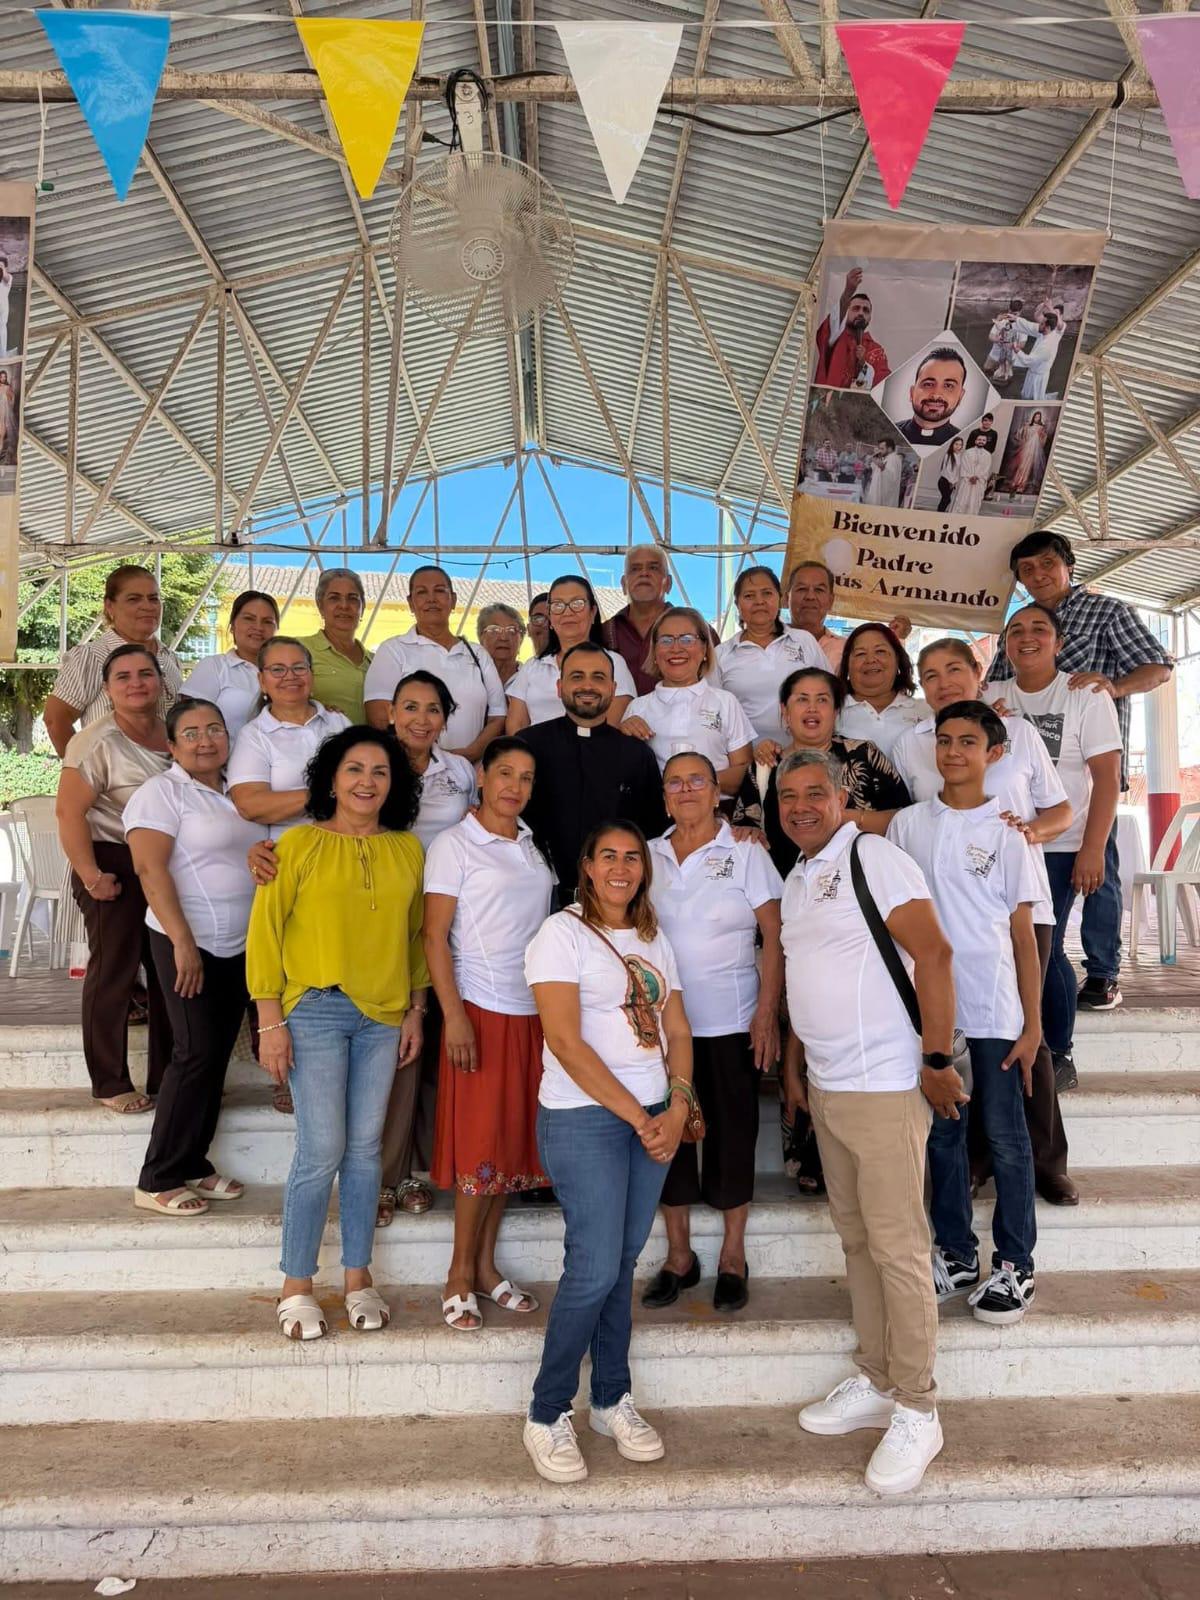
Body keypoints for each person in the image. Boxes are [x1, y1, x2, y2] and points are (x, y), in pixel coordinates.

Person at [778, 750, 960, 1497]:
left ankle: (919, 1405)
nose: (799, 807)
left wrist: (938, 1056)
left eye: (813, 793)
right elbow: (805, 974)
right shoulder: (796, 878)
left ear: (843, 794)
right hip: (829, 1088)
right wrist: (795, 1065)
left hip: (886, 1086)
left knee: (898, 1249)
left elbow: (934, 954)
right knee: (856, 1241)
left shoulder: (874, 855)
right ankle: (877, 1377)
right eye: (786, 796)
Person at [523, 822, 693, 1484]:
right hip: (585, 1119)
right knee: (593, 1269)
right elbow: (565, 1041)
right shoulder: (559, 935)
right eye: (608, 857)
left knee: (621, 1263)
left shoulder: (654, 937)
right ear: (586, 867)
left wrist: (675, 1108)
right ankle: (545, 1411)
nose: (621, 867)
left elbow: (677, 1027)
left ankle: (610, 1397)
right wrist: (639, 1117)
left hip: (654, 1116)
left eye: (633, 857)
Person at [246, 727, 429, 1342]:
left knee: (365, 1152)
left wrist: (416, 1010)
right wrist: (270, 1021)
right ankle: (296, 1284)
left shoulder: (408, 851)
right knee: (321, 1148)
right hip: (315, 1009)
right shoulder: (295, 845)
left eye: (379, 771)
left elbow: (415, 938)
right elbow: (265, 933)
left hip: (383, 1015)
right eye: (354, 769)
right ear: (331, 778)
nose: (366, 782)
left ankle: (357, 1276)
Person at [894, 637, 1076, 1205]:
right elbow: (914, 818)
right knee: (961, 1040)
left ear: (979, 672)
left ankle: (1045, 1160)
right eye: (929, 674)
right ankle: (976, 1161)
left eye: (954, 669)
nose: (943, 681)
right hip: (947, 913)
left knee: (1025, 1033)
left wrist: (1028, 834)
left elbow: (1061, 809)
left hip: (1018, 901)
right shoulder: (913, 744)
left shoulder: (1017, 732)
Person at [888, 703, 1043, 1324]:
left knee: (1006, 1135)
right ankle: (955, 1254)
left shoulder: (1010, 832)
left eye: (969, 742)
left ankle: (1016, 1263)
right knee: (944, 1134)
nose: (953, 751)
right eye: (945, 740)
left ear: (994, 754)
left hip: (995, 1007)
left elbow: (1024, 936)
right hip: (932, 1012)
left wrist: (1033, 1025)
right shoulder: (907, 826)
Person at [985, 530, 1174, 1011]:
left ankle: (1103, 972)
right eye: (1027, 570)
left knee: (1098, 867)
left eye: (1047, 563)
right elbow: (989, 689)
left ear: (1068, 564)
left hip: (1091, 767)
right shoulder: (1019, 627)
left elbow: (1158, 666)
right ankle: (1034, 970)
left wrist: (1112, 687)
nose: (1038, 575)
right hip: (1026, 785)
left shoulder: (1106, 611)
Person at [642, 754, 783, 1313]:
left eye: (697, 779)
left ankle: (731, 1255)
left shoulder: (745, 852)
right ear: (664, 796)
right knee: (665, 1140)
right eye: (674, 781)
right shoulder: (646, 855)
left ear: (716, 791)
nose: (685, 789)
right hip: (659, 1029)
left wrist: (767, 1013)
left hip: (730, 1019)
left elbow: (774, 935)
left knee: (731, 1133)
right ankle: (679, 1256)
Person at [424, 739, 556, 1330]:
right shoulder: (455, 845)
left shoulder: (531, 843)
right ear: (481, 775)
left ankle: (484, 1267)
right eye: (504, 773)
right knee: (480, 1147)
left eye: (526, 777)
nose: (515, 786)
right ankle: (457, 1271)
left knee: (506, 1145)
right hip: (480, 1009)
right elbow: (434, 937)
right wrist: (453, 1015)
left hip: (533, 1012)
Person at [124, 699, 267, 1215]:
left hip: (239, 943)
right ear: (171, 745)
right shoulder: (160, 794)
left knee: (215, 1053)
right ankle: (157, 1176)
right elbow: (150, 870)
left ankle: (194, 1163)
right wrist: (182, 941)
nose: (205, 740)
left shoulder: (241, 792)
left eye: (214, 730)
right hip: (186, 940)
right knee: (193, 1052)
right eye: (191, 733)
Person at [984, 604, 1122, 1089]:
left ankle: (1058, 1050)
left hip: (1062, 845)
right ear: (1004, 645)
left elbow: (1107, 778)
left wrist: (1092, 848)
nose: (1027, 637)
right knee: (1009, 944)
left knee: (1047, 946)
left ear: (1059, 643)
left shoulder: (1085, 695)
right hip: (1002, 848)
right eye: (1016, 630)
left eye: (1039, 629)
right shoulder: (990, 695)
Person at [55, 645, 172, 1113]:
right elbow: (69, 812)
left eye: (145, 673)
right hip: (111, 862)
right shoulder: (95, 741)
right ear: (107, 689)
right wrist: (91, 875)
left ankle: (169, 1078)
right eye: (123, 676)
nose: (136, 683)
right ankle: (109, 1082)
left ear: (160, 682)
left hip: (162, 866)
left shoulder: (173, 732)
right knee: (115, 972)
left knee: (169, 973)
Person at [378, 670, 476, 1221]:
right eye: (410, 707)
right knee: (399, 1053)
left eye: (433, 709)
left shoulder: (460, 770)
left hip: (448, 922)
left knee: (438, 1050)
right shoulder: (373, 761)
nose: (421, 719)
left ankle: (423, 1169)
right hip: (388, 918)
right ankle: (386, 1174)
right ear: (391, 713)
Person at [517, 642, 667, 901]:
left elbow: (652, 836)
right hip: (537, 901)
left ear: (613, 688)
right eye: (577, 677)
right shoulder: (527, 746)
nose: (587, 686)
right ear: (559, 686)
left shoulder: (637, 754)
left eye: (598, 677)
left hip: (614, 903)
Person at [755, 668, 910, 877]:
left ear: (836, 710)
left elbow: (906, 821)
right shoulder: (765, 766)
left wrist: (843, 817)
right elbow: (744, 833)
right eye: (802, 699)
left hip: (861, 886)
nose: (812, 708)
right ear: (785, 710)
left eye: (822, 700)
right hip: (786, 893)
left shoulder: (864, 755)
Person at [364, 565, 505, 760]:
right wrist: (425, 759)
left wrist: (471, 754)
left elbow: (497, 716)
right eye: (422, 592)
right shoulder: (393, 650)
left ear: (453, 600)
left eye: (439, 591)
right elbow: (379, 717)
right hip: (413, 773)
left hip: (470, 774)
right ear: (411, 603)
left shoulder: (478, 654)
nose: (431, 599)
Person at [44, 566, 184, 756]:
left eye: (154, 599)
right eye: (134, 599)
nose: (148, 606)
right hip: (112, 782)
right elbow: (55, 720)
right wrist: (82, 772)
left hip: (170, 780)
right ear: (110, 606)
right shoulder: (91, 656)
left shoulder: (170, 658)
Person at [622, 608, 754, 798]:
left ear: (705, 650)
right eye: (666, 640)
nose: (676, 648)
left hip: (717, 815)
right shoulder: (638, 708)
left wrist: (694, 786)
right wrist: (623, 733)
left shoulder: (726, 703)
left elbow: (744, 773)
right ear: (655, 652)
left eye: (686, 639)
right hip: (655, 817)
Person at [228, 638, 350, 839]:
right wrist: (326, 793)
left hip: (350, 842)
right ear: (262, 681)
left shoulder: (339, 722)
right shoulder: (254, 735)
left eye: (299, 668)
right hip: (291, 852)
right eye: (277, 669)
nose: (290, 676)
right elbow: (250, 805)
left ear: (311, 675)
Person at [508, 574, 636, 731]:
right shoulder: (532, 667)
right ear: (550, 616)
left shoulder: (614, 663)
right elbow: (516, 725)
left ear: (593, 611)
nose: (567, 612)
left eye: (577, 603)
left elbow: (611, 726)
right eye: (558, 605)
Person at [713, 566, 825, 744]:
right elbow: (714, 714)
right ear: (738, 605)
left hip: (804, 755)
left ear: (780, 599)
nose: (759, 601)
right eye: (749, 596)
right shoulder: (721, 654)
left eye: (767, 593)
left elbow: (828, 695)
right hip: (746, 760)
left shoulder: (804, 641)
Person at [182, 590, 280, 739]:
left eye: (267, 621)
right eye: (249, 619)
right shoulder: (214, 666)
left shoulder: (285, 672)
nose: (258, 627)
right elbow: (186, 724)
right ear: (233, 625)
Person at [834, 623, 926, 761]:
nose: (870, 660)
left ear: (898, 660)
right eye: (860, 654)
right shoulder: (832, 712)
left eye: (880, 651)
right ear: (847, 664)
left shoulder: (925, 711)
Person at [299, 568, 374, 723]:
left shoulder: (377, 661)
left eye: (353, 598)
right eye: (334, 598)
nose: (344, 606)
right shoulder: (299, 650)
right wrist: (314, 707)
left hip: (369, 745)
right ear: (320, 606)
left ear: (363, 607)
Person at [814, 267, 891, 389]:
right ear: (847, 312)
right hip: (827, 405)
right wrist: (848, 292)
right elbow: (833, 322)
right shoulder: (836, 337)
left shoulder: (876, 350)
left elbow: (884, 386)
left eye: (866, 310)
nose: (861, 313)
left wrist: (863, 365)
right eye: (856, 308)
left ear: (870, 318)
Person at [896, 348, 967, 449]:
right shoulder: (891, 430)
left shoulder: (962, 442)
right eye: (928, 384)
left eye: (948, 386)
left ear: (960, 396)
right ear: (912, 393)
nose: (936, 395)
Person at [786, 561, 846, 670]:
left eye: (819, 590)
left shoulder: (846, 649)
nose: (810, 596)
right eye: (802, 589)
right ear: (786, 599)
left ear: (831, 601)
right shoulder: (768, 642)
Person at [1013, 310, 1064, 401]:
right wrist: (1016, 319)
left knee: (1034, 399)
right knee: (1026, 396)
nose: (1039, 325)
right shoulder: (1049, 332)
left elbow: (1029, 361)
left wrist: (1017, 351)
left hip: (1038, 377)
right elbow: (1030, 327)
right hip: (1035, 372)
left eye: (1041, 324)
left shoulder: (1047, 346)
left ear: (1047, 327)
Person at [476, 601, 525, 689]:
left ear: (521, 639)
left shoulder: (531, 677)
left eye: (511, 631)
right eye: (494, 630)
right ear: (481, 637)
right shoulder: (471, 676)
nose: (503, 638)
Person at [1008, 411, 1048, 497]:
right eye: (1036, 416)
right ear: (1033, 417)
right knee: (1021, 466)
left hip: (1032, 450)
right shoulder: (1027, 426)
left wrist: (1042, 434)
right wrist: (1022, 439)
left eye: (1038, 417)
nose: (1037, 418)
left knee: (1027, 468)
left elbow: (1043, 439)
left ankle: (1021, 485)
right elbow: (1019, 434)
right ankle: (1015, 482)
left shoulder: (1040, 428)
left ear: (1040, 418)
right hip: (1024, 448)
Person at [952, 439, 992, 516]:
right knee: (962, 500)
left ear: (986, 442)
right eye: (979, 440)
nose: (981, 441)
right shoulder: (968, 452)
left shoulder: (988, 455)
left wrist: (977, 477)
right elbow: (964, 466)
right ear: (975, 441)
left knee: (974, 502)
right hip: (967, 481)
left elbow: (986, 469)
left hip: (978, 482)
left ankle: (970, 518)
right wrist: (970, 477)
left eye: (983, 440)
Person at [862, 439, 903, 507]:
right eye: (879, 448)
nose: (880, 451)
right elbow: (876, 472)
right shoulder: (886, 458)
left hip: (885, 499)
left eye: (882, 449)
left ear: (889, 449)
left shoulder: (894, 459)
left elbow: (892, 478)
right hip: (878, 494)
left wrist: (882, 468)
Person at [936, 438, 963, 513]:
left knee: (945, 499)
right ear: (952, 445)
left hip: (952, 482)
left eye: (960, 445)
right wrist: (951, 482)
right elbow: (946, 470)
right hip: (945, 481)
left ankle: (939, 513)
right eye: (956, 444)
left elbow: (957, 471)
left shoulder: (959, 456)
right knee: (946, 499)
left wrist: (955, 482)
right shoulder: (948, 455)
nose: (958, 446)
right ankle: (939, 514)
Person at [0, 369, 17, 462]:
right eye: (1, 376)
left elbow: (12, 400)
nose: (3, 378)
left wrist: (8, 396)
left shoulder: (7, 387)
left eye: (4, 377)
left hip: (4, 412)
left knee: (2, 434)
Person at [527, 592, 551, 658]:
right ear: (528, 629)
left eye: (552, 618)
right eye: (538, 618)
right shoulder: (527, 667)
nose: (546, 624)